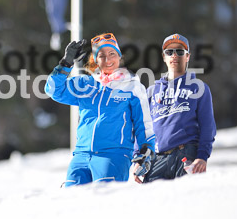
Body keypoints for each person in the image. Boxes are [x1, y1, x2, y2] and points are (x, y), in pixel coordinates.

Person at [45, 33, 156, 186]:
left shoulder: (132, 86)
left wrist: (145, 153)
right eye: (101, 55)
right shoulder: (86, 84)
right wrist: (66, 63)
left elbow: (143, 124)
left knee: (104, 203)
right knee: (71, 202)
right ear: (95, 60)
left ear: (119, 56)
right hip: (81, 155)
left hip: (113, 155)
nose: (107, 59)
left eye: (112, 54)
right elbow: (53, 90)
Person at [131, 33, 216, 183]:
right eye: (169, 52)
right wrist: (139, 158)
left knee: (185, 202)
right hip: (157, 158)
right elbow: (142, 128)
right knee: (152, 202)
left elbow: (207, 127)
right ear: (163, 57)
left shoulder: (199, 88)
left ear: (188, 56)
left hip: (185, 155)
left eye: (180, 51)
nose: (174, 55)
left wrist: (202, 157)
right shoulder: (151, 91)